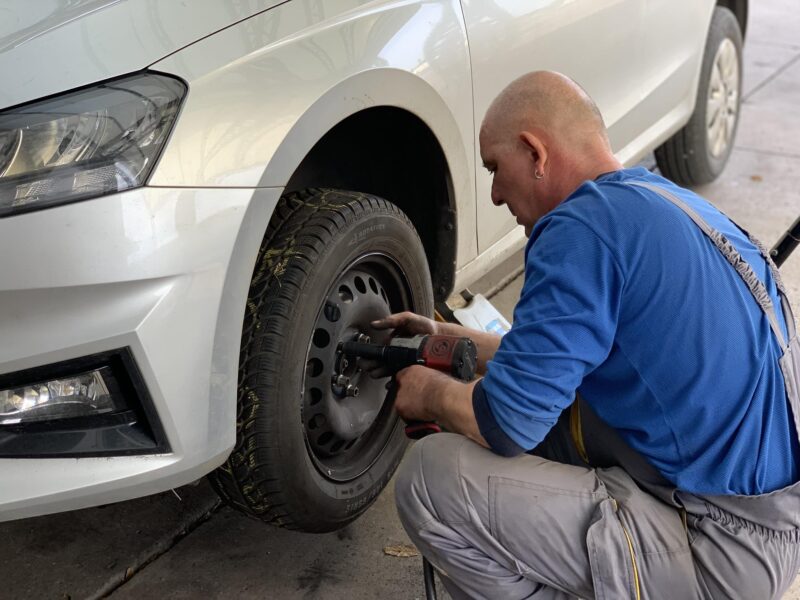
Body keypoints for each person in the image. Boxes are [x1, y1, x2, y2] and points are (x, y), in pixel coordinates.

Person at [375, 71, 800, 599]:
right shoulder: (652, 202)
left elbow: (507, 422)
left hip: (715, 549)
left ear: (536, 153)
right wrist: (447, 336)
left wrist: (431, 392)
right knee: (562, 410)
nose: (494, 193)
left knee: (430, 479)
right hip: (762, 528)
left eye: (495, 168)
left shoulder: (580, 230)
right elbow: (550, 367)